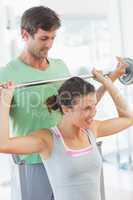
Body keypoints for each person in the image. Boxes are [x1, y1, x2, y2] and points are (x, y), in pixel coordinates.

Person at [0, 5, 128, 200]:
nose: (49, 44)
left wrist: (113, 77)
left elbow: (79, 108)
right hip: (34, 159)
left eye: (53, 38)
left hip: (67, 157)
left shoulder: (60, 67)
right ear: (25, 35)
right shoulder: (7, 75)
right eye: (44, 38)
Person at [0, 68, 133, 200]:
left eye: (94, 106)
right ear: (66, 109)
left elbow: (128, 118)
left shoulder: (91, 130)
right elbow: (3, 144)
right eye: (87, 108)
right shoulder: (48, 139)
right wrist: (5, 101)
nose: (93, 113)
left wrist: (108, 83)